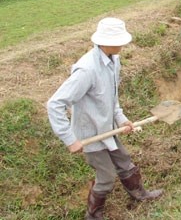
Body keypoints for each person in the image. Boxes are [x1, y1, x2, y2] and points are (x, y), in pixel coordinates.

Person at [47, 17, 163, 220]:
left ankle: (140, 194)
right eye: (120, 41)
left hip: (108, 127)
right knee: (107, 177)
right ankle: (93, 215)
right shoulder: (86, 70)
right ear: (106, 41)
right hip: (90, 132)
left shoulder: (113, 60)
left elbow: (111, 98)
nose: (123, 45)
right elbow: (55, 104)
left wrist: (121, 119)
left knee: (125, 163)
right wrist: (69, 139)